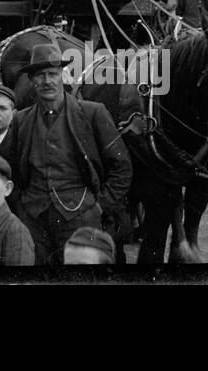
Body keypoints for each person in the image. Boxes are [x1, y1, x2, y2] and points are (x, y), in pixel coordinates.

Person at [10, 43, 132, 264]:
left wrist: (99, 207)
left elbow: (122, 167)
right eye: (40, 75)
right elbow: (9, 169)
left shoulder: (92, 113)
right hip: (34, 220)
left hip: (81, 218)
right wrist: (21, 205)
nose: (47, 81)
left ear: (62, 76)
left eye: (52, 74)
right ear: (32, 81)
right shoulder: (21, 119)